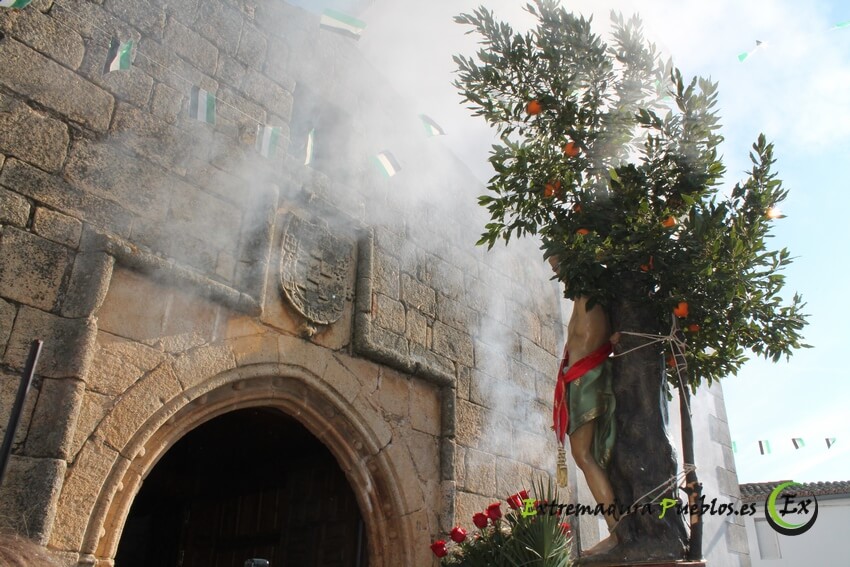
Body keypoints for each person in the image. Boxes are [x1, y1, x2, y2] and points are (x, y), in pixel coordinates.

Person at [549, 256, 618, 556]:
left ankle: (617, 530)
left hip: (585, 381)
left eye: (558, 264)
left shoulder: (590, 299)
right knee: (586, 457)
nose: (556, 270)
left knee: (584, 456)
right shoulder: (586, 301)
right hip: (581, 382)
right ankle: (617, 527)